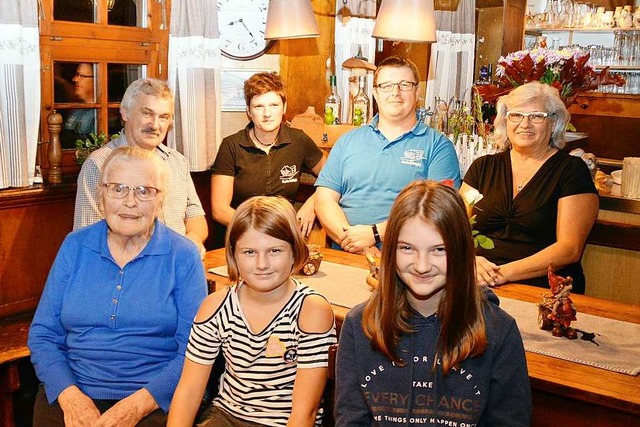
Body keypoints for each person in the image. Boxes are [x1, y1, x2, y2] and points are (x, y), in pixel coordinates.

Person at [28, 146, 208, 426]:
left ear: (161, 200)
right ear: (101, 195)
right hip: (74, 390)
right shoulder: (74, 246)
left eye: (144, 191)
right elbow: (43, 334)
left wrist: (139, 405)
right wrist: (69, 394)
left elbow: (195, 350)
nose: (130, 202)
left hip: (155, 398)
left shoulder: (182, 256)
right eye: (119, 189)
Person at [334, 181, 531, 426]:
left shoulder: (499, 330)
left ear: (461, 251)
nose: (422, 265)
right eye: (407, 248)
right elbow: (351, 418)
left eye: (439, 249)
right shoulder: (359, 325)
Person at [168, 196, 337, 427]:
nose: (262, 264)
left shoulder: (310, 311)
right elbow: (188, 392)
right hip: (225, 416)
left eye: (275, 250)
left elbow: (304, 413)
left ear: (295, 251)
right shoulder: (215, 307)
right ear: (234, 255)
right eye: (249, 252)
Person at [461, 81, 599, 294]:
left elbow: (569, 249)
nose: (525, 124)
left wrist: (501, 274)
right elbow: (456, 228)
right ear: (505, 121)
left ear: (553, 123)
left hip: (544, 288)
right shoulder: (483, 167)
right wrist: (471, 260)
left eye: (536, 116)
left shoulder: (571, 171)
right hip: (478, 281)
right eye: (516, 115)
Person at [314, 56, 461, 254]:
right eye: (387, 85)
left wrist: (375, 234)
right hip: (346, 252)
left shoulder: (438, 146)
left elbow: (440, 210)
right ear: (375, 93)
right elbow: (324, 199)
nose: (395, 92)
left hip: (407, 258)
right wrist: (352, 241)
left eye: (405, 85)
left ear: (417, 92)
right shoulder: (348, 141)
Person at [74, 77, 208, 255]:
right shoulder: (98, 164)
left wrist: (192, 243)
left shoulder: (177, 161)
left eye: (163, 117)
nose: (154, 125)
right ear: (125, 113)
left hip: (179, 266)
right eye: (147, 113)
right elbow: (88, 238)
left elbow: (195, 215)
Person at [210, 72, 325, 239]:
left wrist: (313, 202)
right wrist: (260, 231)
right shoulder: (231, 146)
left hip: (285, 235)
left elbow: (332, 177)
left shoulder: (298, 140)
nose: (267, 113)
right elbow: (219, 210)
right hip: (243, 234)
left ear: (284, 107)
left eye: (274, 105)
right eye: (258, 106)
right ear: (248, 111)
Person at [62, 63, 96, 147]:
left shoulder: (101, 114)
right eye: (77, 75)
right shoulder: (76, 110)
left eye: (81, 76)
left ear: (96, 80)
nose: (75, 79)